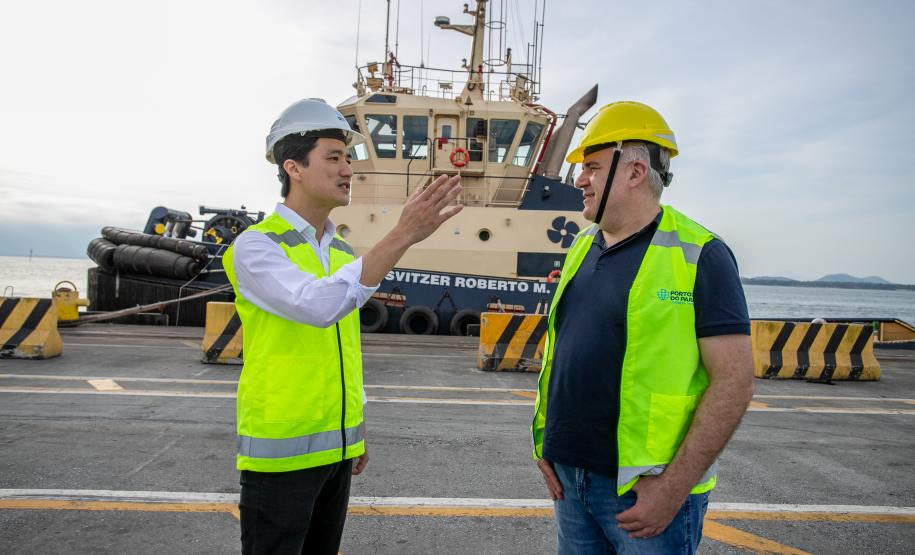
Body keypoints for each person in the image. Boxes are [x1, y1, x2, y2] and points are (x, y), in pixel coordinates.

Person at [223, 98, 462, 554]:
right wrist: (403, 233)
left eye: (348, 158)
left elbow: (344, 351)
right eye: (334, 157)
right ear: (292, 167)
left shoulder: (342, 254)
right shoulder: (256, 248)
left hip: (337, 451)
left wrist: (356, 427)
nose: (348, 169)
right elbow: (317, 306)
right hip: (281, 456)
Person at [531, 101, 755, 554]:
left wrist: (673, 488)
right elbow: (564, 354)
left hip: (646, 492)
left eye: (592, 167)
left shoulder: (702, 255)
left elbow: (734, 380)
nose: (579, 180)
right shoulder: (581, 247)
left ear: (634, 173)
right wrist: (545, 444)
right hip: (570, 481)